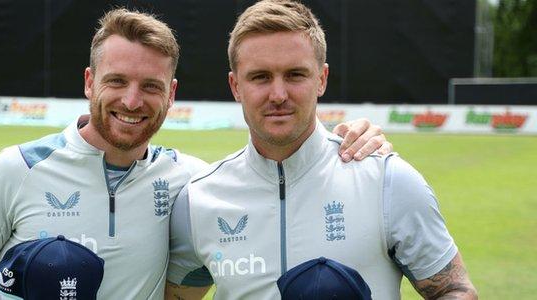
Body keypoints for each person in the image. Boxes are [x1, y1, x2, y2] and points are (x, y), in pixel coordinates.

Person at [0, 6, 391, 300]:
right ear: (90, 82)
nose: (132, 101)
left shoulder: (191, 182)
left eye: (150, 86)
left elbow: (273, 186)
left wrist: (352, 140)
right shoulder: (19, 167)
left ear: (171, 94)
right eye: (116, 82)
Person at [166, 1, 478, 299]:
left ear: (322, 79)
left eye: (295, 75)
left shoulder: (387, 181)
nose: (278, 94)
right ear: (236, 86)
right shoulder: (198, 200)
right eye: (260, 77)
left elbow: (454, 290)